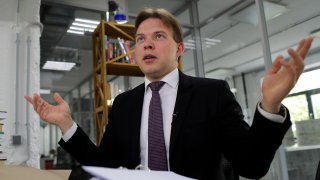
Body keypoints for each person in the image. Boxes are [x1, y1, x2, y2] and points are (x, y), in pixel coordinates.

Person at [25, 8, 314, 179]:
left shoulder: (211, 93)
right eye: (140, 39)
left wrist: (270, 105)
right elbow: (103, 164)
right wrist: (66, 124)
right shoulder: (125, 104)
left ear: (178, 49)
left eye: (158, 36)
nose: (147, 45)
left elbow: (252, 165)